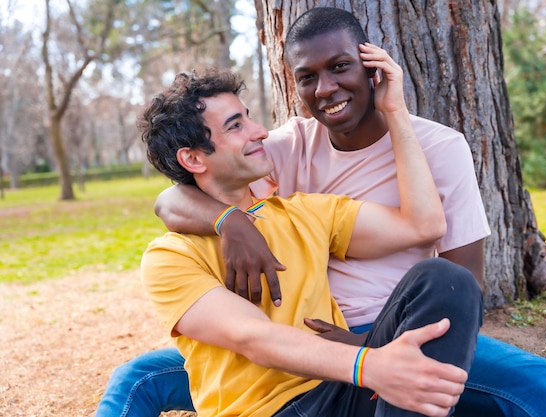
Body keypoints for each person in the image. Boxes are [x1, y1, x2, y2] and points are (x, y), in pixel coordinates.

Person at [96, 7, 546, 417]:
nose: (326, 89)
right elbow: (181, 191)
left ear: (371, 64)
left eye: (340, 67)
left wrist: (396, 113)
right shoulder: (285, 148)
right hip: (303, 358)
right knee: (139, 377)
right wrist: (230, 222)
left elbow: (448, 262)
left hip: (394, 328)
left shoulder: (433, 151)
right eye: (308, 77)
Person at [135, 49, 483, 417]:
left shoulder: (304, 212)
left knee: (445, 279)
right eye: (236, 126)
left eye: (249, 118)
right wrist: (370, 365)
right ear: (192, 159)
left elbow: (423, 225)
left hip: (342, 392)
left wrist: (394, 112)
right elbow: (255, 338)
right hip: (271, 410)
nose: (260, 132)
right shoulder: (170, 257)